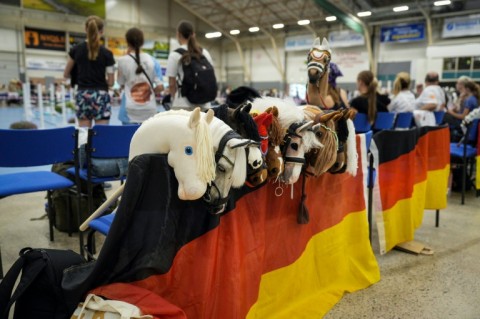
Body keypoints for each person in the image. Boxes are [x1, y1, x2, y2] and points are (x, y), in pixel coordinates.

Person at [64, 15, 115, 128]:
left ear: (85, 30)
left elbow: (66, 74)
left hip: (82, 95)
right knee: (102, 134)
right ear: (102, 31)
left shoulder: (76, 50)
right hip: (101, 95)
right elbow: (111, 82)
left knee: (83, 135)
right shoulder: (107, 53)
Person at [117, 27, 164, 125]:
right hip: (149, 109)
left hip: (129, 110)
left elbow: (120, 83)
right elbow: (160, 87)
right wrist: (148, 92)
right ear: (142, 42)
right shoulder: (153, 61)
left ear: (127, 42)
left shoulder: (122, 61)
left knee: (128, 139)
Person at [166, 20, 215, 111]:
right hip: (205, 104)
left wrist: (173, 98)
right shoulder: (204, 53)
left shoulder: (175, 55)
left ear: (178, 34)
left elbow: (172, 84)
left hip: (182, 104)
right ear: (194, 34)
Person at [444, 76, 480, 141]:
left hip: (463, 125)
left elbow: (463, 116)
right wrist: (460, 99)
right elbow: (458, 110)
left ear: (467, 89)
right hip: (465, 124)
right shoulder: (471, 99)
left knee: (445, 117)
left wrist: (450, 112)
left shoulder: (469, 100)